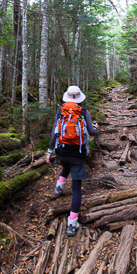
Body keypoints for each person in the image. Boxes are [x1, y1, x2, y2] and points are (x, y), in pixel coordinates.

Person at [46, 85, 98, 236]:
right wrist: (96, 127)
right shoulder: (83, 112)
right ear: (80, 98)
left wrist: (49, 152)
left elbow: (54, 134)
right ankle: (72, 224)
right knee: (76, 189)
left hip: (61, 152)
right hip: (78, 153)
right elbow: (92, 132)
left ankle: (58, 188)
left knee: (66, 164)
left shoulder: (60, 112)